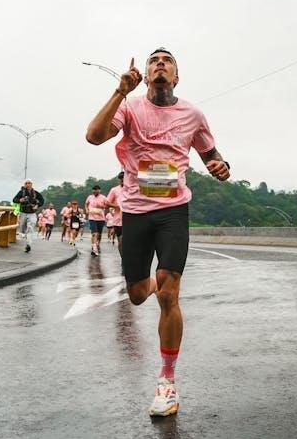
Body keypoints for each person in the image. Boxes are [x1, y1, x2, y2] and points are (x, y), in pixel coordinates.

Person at [86, 48, 230, 417]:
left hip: (173, 210)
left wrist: (220, 166)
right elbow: (94, 136)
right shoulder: (130, 106)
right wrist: (120, 91)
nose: (160, 63)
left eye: (167, 61)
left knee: (169, 292)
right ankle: (147, 283)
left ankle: (167, 380)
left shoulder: (193, 114)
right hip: (135, 212)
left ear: (176, 77)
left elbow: (212, 155)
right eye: (154, 61)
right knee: (137, 295)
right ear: (147, 75)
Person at [13, 179, 44, 253]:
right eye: (26, 183)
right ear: (24, 184)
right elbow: (14, 199)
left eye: (29, 183)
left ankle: (28, 244)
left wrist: (37, 205)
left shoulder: (35, 193)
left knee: (30, 228)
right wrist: (20, 200)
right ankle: (25, 237)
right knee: (22, 230)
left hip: (32, 213)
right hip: (23, 213)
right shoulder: (21, 192)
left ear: (31, 184)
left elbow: (42, 200)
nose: (28, 184)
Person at [85, 185, 109, 256]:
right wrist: (86, 210)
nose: (94, 192)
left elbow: (107, 206)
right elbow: (86, 204)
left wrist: (102, 206)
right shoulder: (90, 197)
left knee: (99, 234)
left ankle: (97, 243)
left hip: (101, 218)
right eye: (93, 191)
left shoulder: (103, 197)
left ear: (99, 190)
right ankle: (94, 249)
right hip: (92, 218)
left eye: (96, 190)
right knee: (94, 233)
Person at [105, 171, 125, 253]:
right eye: (121, 179)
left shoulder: (132, 189)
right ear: (119, 180)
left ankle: (129, 258)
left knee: (129, 242)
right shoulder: (114, 190)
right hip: (118, 221)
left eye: (124, 178)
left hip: (131, 220)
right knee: (121, 241)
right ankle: (123, 259)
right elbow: (107, 203)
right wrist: (117, 206)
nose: (122, 180)